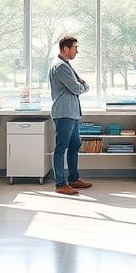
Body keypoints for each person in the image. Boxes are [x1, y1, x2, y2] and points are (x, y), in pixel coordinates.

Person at [49, 36, 93, 196]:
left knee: (75, 144)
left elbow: (78, 86)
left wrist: (81, 84)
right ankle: (60, 184)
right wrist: (83, 85)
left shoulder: (66, 65)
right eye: (75, 47)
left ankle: (74, 179)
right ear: (65, 49)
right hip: (64, 112)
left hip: (71, 112)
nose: (77, 51)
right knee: (61, 147)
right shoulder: (60, 67)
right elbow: (76, 88)